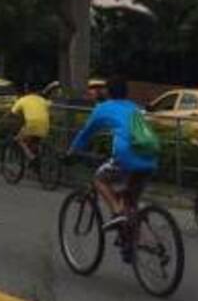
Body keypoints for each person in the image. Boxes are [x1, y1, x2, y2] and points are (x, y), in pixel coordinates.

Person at [68, 77, 159, 232]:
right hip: (151, 157)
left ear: (108, 92)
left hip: (127, 156)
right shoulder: (135, 107)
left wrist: (71, 151)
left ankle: (117, 213)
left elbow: (86, 133)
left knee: (99, 179)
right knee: (130, 201)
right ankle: (137, 243)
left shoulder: (104, 108)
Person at [9, 83, 51, 165]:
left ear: (26, 90)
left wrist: (3, 119)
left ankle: (32, 158)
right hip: (45, 124)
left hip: (31, 123)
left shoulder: (23, 99)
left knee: (19, 139)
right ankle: (38, 160)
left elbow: (12, 112)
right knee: (35, 140)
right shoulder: (42, 100)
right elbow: (49, 105)